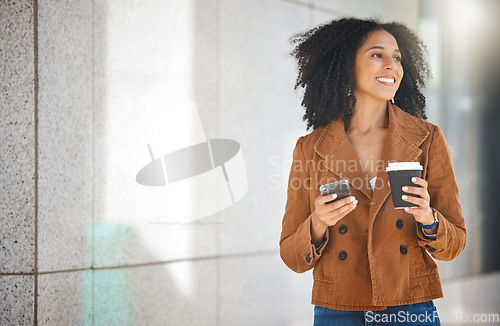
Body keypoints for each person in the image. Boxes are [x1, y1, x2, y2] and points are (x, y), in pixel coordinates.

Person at [279, 18, 466, 326]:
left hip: (410, 304)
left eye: (397, 57)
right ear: (345, 65)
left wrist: (427, 217)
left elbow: (455, 243)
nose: (391, 65)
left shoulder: (427, 138)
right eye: (377, 54)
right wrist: (318, 222)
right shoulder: (310, 147)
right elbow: (291, 255)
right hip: (337, 307)